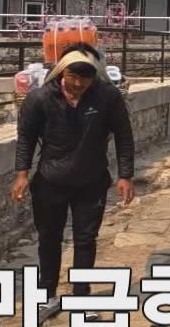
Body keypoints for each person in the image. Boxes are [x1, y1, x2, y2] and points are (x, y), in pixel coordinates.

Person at [11, 43, 136, 305]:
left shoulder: (107, 97)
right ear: (62, 72)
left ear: (94, 75)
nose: (78, 83)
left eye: (85, 78)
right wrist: (22, 174)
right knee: (49, 238)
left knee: (85, 239)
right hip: (50, 180)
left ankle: (81, 295)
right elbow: (26, 138)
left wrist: (125, 176)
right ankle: (47, 294)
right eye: (73, 76)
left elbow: (124, 136)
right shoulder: (40, 99)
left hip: (91, 180)